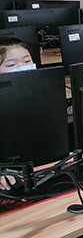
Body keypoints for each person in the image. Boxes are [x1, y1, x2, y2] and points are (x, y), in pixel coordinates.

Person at [0, 37, 36, 190]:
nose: (22, 67)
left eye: (27, 61)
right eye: (11, 65)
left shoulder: (42, 94)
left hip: (37, 169)